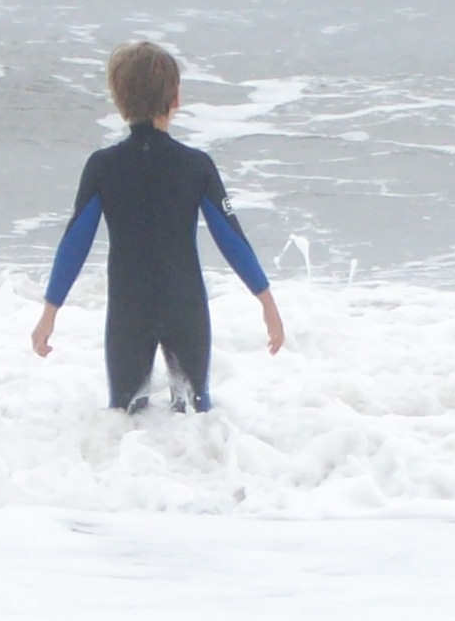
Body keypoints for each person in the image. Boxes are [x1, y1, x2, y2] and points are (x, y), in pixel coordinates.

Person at [29, 41, 284, 411]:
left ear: (119, 101)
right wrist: (267, 303)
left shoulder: (103, 166)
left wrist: (49, 313)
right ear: (175, 98)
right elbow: (232, 239)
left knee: (124, 416)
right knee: (196, 414)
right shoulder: (196, 166)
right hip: (185, 306)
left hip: (128, 310)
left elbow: (75, 243)